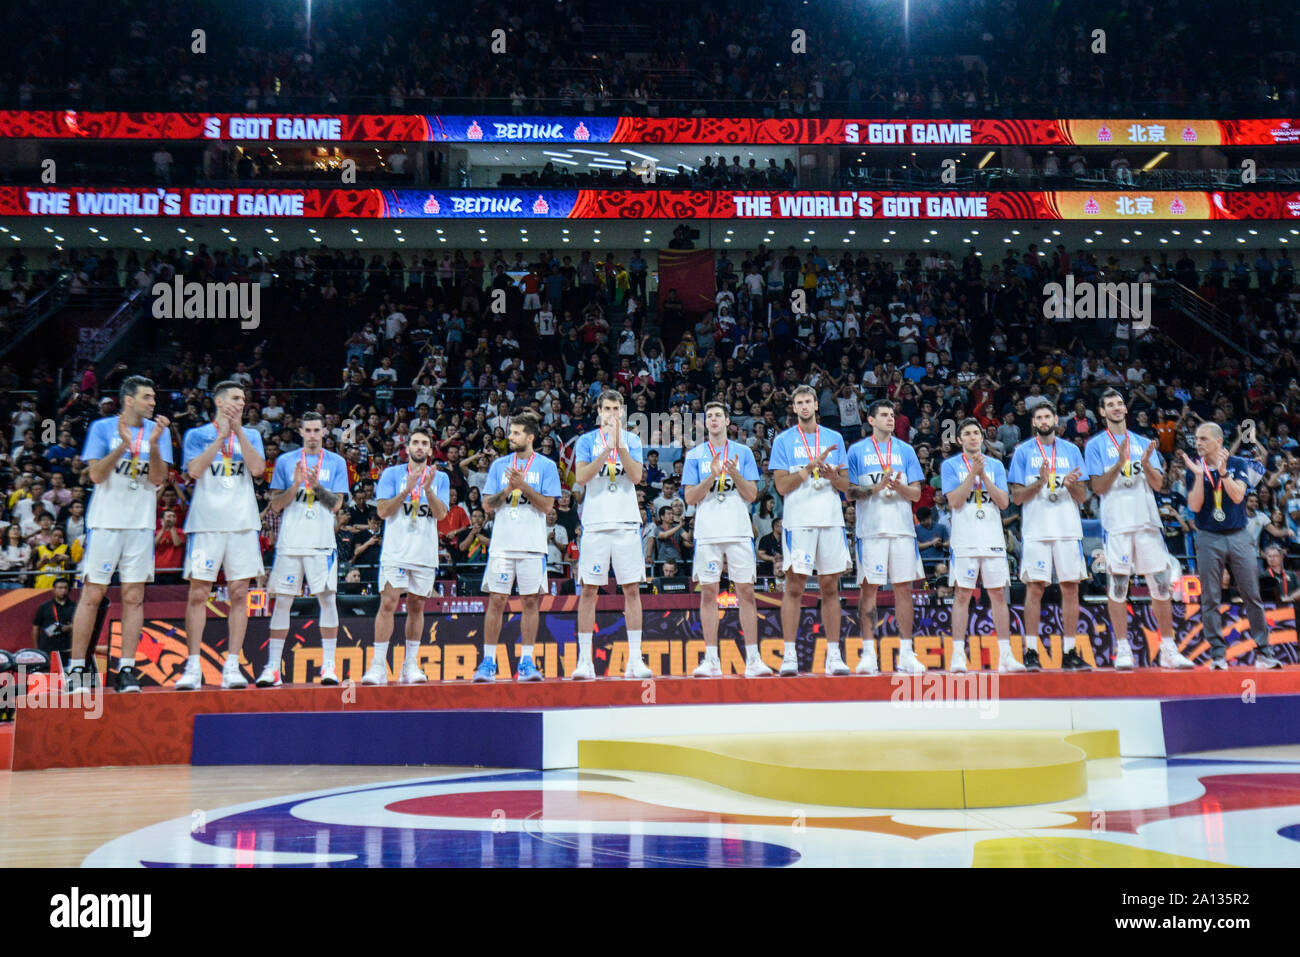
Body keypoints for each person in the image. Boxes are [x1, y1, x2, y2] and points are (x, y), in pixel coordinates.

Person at [63, 377, 173, 694]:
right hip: (105, 523)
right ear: (128, 399)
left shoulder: (157, 432)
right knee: (92, 595)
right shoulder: (102, 428)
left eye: (154, 397)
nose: (153, 402)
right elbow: (95, 476)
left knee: (134, 598)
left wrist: (151, 443)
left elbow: (157, 480)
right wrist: (124, 444)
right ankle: (77, 668)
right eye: (147, 397)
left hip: (140, 526)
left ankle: (126, 668)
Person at [1084, 389, 1195, 670]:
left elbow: (1159, 485)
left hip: (1146, 521)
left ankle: (1169, 649)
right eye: (1110, 404)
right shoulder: (1096, 445)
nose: (1117, 408)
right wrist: (1119, 465)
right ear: (1102, 412)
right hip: (1117, 524)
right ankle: (1123, 650)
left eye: (1120, 403)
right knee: (1119, 587)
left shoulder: (1144, 442)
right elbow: (1097, 488)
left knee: (1160, 585)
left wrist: (1145, 464)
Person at [178, 381, 267, 690]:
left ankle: (232, 665)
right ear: (218, 400)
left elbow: (257, 470)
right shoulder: (196, 434)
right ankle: (192, 666)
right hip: (206, 525)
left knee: (240, 594)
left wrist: (239, 432)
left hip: (242, 525)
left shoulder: (252, 434)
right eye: (235, 397)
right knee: (198, 594)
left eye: (243, 398)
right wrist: (220, 437)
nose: (241, 402)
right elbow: (194, 471)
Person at [1180, 422, 1283, 668]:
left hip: (1238, 534)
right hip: (1207, 536)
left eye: (1203, 438)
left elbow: (1238, 496)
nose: (1198, 443)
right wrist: (1197, 475)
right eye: (1196, 439)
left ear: (1218, 441)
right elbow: (1194, 507)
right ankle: (1218, 655)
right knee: (1211, 597)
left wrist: (1224, 472)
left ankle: (1264, 653)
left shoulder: (1237, 463)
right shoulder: (1196, 466)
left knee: (1251, 594)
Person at [261, 412, 351, 687]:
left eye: (317, 430)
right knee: (283, 602)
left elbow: (337, 504)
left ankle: (328, 667)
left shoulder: (336, 462)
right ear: (300, 431)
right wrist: (296, 485)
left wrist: (315, 486)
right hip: (290, 542)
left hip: (322, 543)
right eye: (308, 430)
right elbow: (276, 505)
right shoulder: (286, 461)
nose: (312, 435)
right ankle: (273, 668)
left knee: (327, 599)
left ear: (324, 432)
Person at [682, 401, 770, 677]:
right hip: (707, 532)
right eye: (709, 416)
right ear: (704, 423)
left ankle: (753, 659)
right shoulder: (695, 455)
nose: (713, 420)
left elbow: (752, 495)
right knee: (708, 594)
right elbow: (690, 498)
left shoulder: (743, 452)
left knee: (745, 592)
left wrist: (733, 473)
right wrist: (711, 475)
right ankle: (711, 660)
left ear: (728, 420)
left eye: (718, 415)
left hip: (738, 530)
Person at [768, 384, 851, 676]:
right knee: (794, 587)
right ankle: (789, 655)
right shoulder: (783, 440)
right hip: (799, 520)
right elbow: (781, 486)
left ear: (816, 405)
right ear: (794, 408)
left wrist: (831, 474)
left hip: (830, 519)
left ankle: (834, 655)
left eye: (808, 401)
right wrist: (808, 468)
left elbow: (846, 486)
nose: (804, 406)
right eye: (799, 402)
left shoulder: (835, 438)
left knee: (830, 587)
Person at [473, 413, 561, 682]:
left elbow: (548, 506)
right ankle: (488, 662)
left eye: (516, 433)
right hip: (502, 545)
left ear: (530, 437)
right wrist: (508, 489)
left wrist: (523, 487)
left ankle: (526, 662)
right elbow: (487, 505)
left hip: (533, 545)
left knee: (530, 602)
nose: (510, 437)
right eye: (511, 433)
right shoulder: (500, 465)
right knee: (497, 601)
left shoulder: (546, 466)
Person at [572, 390, 649, 679]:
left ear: (622, 412)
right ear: (599, 411)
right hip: (595, 524)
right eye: (607, 408)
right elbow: (581, 478)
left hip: (626, 523)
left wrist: (620, 446)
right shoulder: (586, 441)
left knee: (631, 589)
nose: (611, 414)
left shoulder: (632, 440)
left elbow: (637, 476)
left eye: (616, 409)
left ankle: (635, 660)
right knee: (589, 591)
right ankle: (584, 661)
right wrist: (605, 450)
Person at [1008, 403, 1091, 670]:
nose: (1044, 420)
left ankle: (1069, 652)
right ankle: (1031, 651)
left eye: (1048, 416)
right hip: (1036, 530)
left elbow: (1083, 496)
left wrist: (1069, 484)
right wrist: (1039, 483)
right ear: (1033, 422)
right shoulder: (1022, 452)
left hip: (1067, 529)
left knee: (1070, 588)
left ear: (1056, 419)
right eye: (1039, 417)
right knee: (1035, 588)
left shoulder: (1072, 450)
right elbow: (1017, 498)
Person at [363, 429, 449, 685]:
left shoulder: (440, 477)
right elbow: (382, 511)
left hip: (424, 553)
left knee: (417, 607)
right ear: (407, 447)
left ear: (431, 450)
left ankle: (409, 666)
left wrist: (428, 490)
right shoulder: (391, 474)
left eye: (424, 443)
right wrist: (406, 490)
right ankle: (378, 666)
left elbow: (441, 515)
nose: (420, 447)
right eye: (415, 442)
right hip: (396, 552)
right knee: (388, 603)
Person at [846, 400, 926, 675]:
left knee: (904, 590)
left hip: (903, 529)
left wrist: (899, 487)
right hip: (871, 530)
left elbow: (916, 494)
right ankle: (869, 653)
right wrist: (876, 487)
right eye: (884, 415)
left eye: (892, 415)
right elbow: (849, 493)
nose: (890, 419)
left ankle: (906, 653)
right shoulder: (856, 450)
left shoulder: (906, 450)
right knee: (869, 590)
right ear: (871, 420)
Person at [942, 418, 1018, 672]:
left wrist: (983, 475)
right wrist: (972, 474)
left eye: (976, 433)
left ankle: (1005, 655)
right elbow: (955, 501)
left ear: (982, 438)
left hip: (992, 538)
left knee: (998, 594)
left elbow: (1004, 502)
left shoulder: (995, 465)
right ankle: (957, 656)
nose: (973, 437)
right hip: (964, 539)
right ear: (959, 439)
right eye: (967, 433)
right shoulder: (950, 465)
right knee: (962, 594)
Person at [32, 576, 74, 657]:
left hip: (67, 648)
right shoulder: (44, 607)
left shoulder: (75, 607)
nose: (63, 591)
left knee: (65, 669)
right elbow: (36, 628)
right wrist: (37, 650)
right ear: (53, 590)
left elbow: (83, 626)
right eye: (60, 588)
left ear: (69, 590)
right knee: (23, 668)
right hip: (47, 648)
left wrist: (72, 627)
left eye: (65, 588)